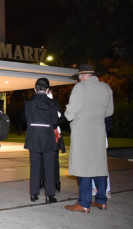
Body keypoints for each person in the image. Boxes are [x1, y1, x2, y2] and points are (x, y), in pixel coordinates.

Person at [64, 64, 114, 213]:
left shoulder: (81, 87)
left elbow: (71, 112)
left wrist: (68, 113)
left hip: (82, 131)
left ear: (82, 76)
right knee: (99, 166)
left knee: (83, 166)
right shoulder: (106, 87)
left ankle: (84, 203)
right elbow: (109, 111)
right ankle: (101, 200)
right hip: (99, 130)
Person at [24, 78, 60, 204]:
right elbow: (56, 122)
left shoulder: (29, 103)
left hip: (33, 136)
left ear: (35, 89)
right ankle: (49, 195)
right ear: (48, 90)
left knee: (34, 166)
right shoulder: (52, 103)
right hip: (48, 137)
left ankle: (34, 194)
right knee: (49, 167)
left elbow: (27, 119)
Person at [39, 89, 65, 192]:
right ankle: (42, 180)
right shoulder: (40, 103)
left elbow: (61, 118)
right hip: (44, 133)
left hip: (53, 134)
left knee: (54, 159)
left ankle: (56, 182)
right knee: (41, 158)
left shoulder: (54, 104)